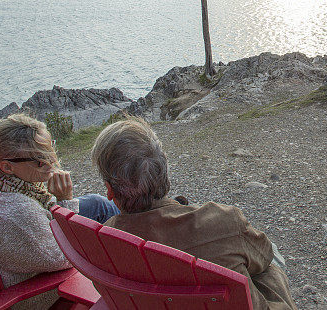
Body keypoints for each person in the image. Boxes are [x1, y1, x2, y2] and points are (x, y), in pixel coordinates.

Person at [91, 117, 297, 310]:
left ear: (109, 190)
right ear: (164, 172)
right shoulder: (224, 222)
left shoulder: (104, 242)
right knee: (269, 262)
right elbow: (265, 254)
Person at [0, 113, 119, 307]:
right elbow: (67, 256)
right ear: (7, 166)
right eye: (39, 160)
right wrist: (65, 202)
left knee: (98, 204)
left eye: (49, 149)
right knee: (103, 210)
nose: (51, 161)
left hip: (28, 249)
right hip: (39, 293)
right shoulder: (18, 213)